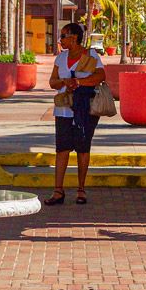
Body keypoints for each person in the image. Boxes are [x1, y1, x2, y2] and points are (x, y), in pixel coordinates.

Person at [48, 21, 105, 205]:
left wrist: (79, 83)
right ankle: (58, 190)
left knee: (83, 148)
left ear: (74, 38)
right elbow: (52, 81)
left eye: (63, 36)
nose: (61, 40)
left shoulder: (91, 55)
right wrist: (65, 81)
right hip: (63, 109)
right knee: (62, 148)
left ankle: (81, 189)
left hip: (85, 108)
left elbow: (100, 76)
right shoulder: (60, 58)